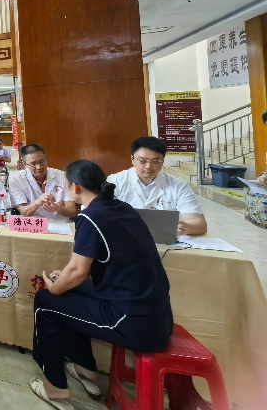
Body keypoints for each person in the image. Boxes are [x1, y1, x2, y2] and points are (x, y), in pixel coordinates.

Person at [29, 160, 173, 408]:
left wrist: (55, 286)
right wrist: (65, 277)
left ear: (75, 188)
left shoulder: (90, 216)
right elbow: (77, 271)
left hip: (131, 321)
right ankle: (86, 367)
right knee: (69, 289)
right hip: (157, 316)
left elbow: (77, 272)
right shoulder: (122, 208)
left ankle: (54, 387)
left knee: (45, 301)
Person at [107, 137, 207, 235]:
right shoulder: (115, 182)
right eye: (142, 161)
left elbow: (199, 224)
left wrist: (183, 227)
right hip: (125, 237)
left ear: (163, 161)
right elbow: (104, 215)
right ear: (132, 159)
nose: (148, 166)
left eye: (155, 161)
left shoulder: (179, 186)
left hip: (164, 239)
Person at [8, 144, 76, 222]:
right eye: (33, 164)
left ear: (46, 158)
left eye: (42, 161)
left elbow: (72, 211)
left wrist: (59, 209)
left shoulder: (62, 176)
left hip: (60, 224)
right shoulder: (16, 181)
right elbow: (20, 213)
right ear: (25, 164)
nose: (39, 167)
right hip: (32, 225)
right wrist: (37, 203)